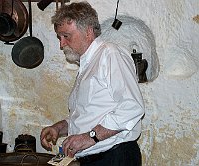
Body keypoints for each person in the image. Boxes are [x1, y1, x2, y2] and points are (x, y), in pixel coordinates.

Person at [40, 1, 145, 166]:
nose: (61, 44)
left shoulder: (110, 55)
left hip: (115, 158)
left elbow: (131, 107)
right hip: (96, 160)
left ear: (88, 32)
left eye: (66, 36)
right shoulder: (87, 64)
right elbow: (88, 115)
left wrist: (90, 137)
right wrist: (59, 128)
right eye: (59, 37)